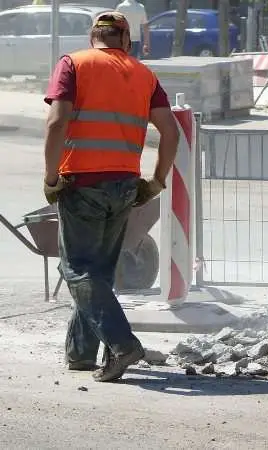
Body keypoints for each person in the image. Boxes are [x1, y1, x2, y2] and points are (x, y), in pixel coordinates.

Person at [43, 11, 179, 382]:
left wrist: (51, 177)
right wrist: (157, 180)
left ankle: (122, 345)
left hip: (82, 183)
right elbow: (170, 131)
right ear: (126, 40)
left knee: (77, 270)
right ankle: (81, 355)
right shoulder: (144, 74)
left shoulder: (73, 63)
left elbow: (57, 123)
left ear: (93, 37)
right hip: (124, 185)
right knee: (98, 272)